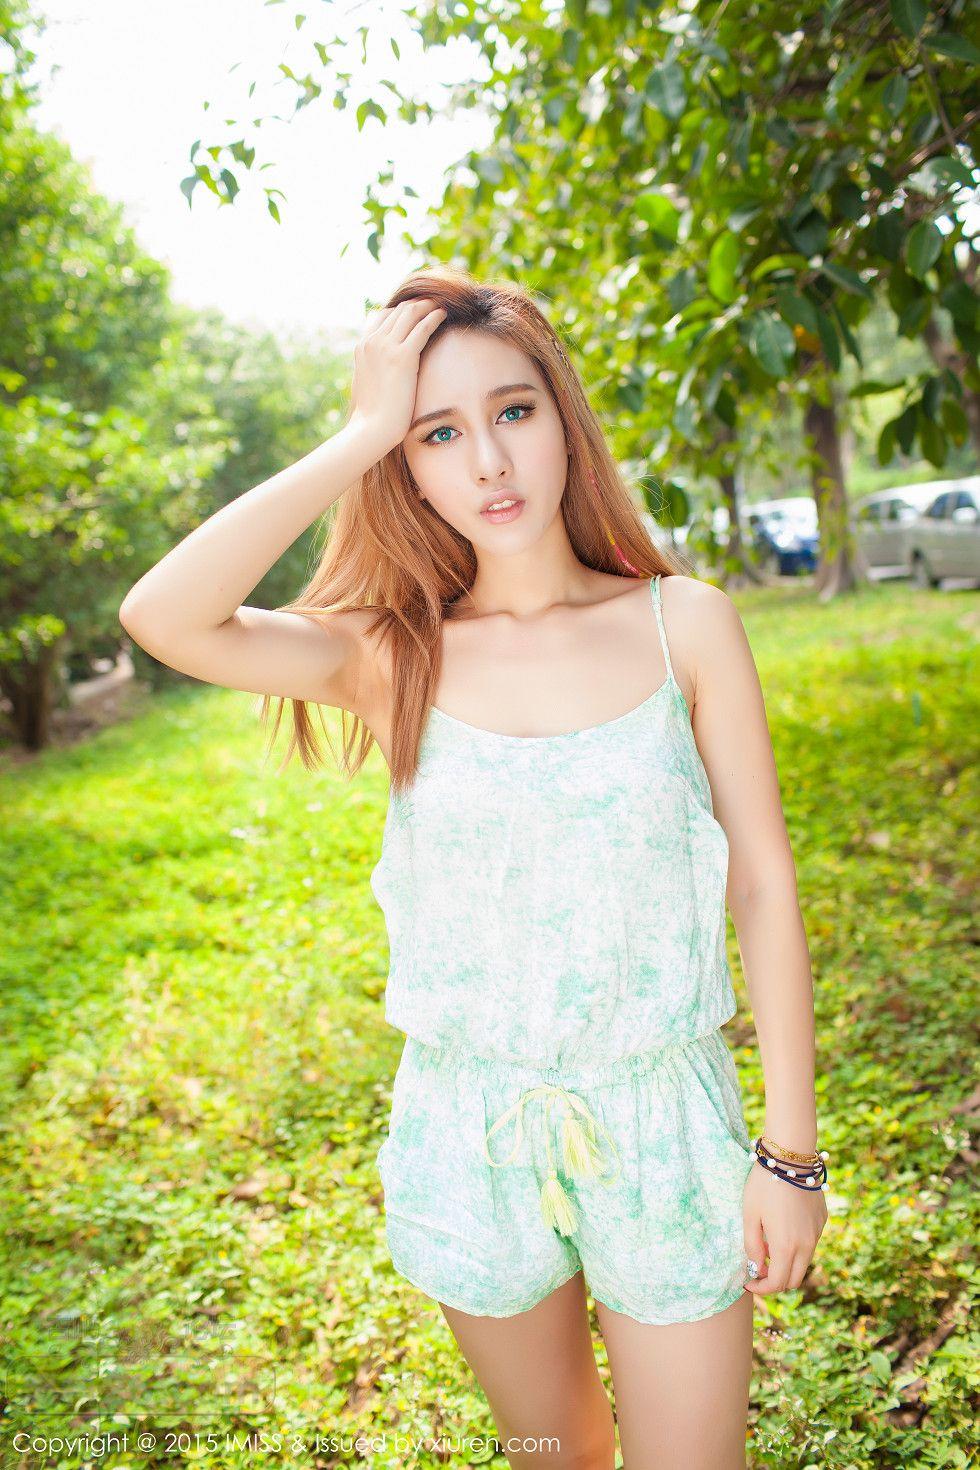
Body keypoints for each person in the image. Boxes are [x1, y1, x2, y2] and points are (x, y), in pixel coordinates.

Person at [119, 266, 828, 1469]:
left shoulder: (684, 623)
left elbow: (758, 883)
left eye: (512, 411)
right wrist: (360, 431)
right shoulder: (392, 654)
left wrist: (789, 1154)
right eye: (437, 433)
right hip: (467, 1128)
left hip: (660, 1118)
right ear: (404, 464)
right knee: (552, 1456)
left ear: (562, 419)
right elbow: (165, 617)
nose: (488, 462)